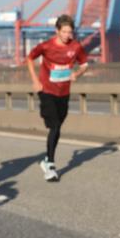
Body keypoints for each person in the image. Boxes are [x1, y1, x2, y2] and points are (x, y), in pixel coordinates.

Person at [27, 14, 89, 182]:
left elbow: (84, 64)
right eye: (65, 31)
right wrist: (35, 80)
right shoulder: (46, 46)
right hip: (46, 90)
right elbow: (30, 58)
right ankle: (50, 165)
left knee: (58, 126)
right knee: (54, 126)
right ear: (57, 31)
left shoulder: (75, 47)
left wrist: (77, 74)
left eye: (70, 32)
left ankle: (46, 159)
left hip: (64, 92)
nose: (68, 35)